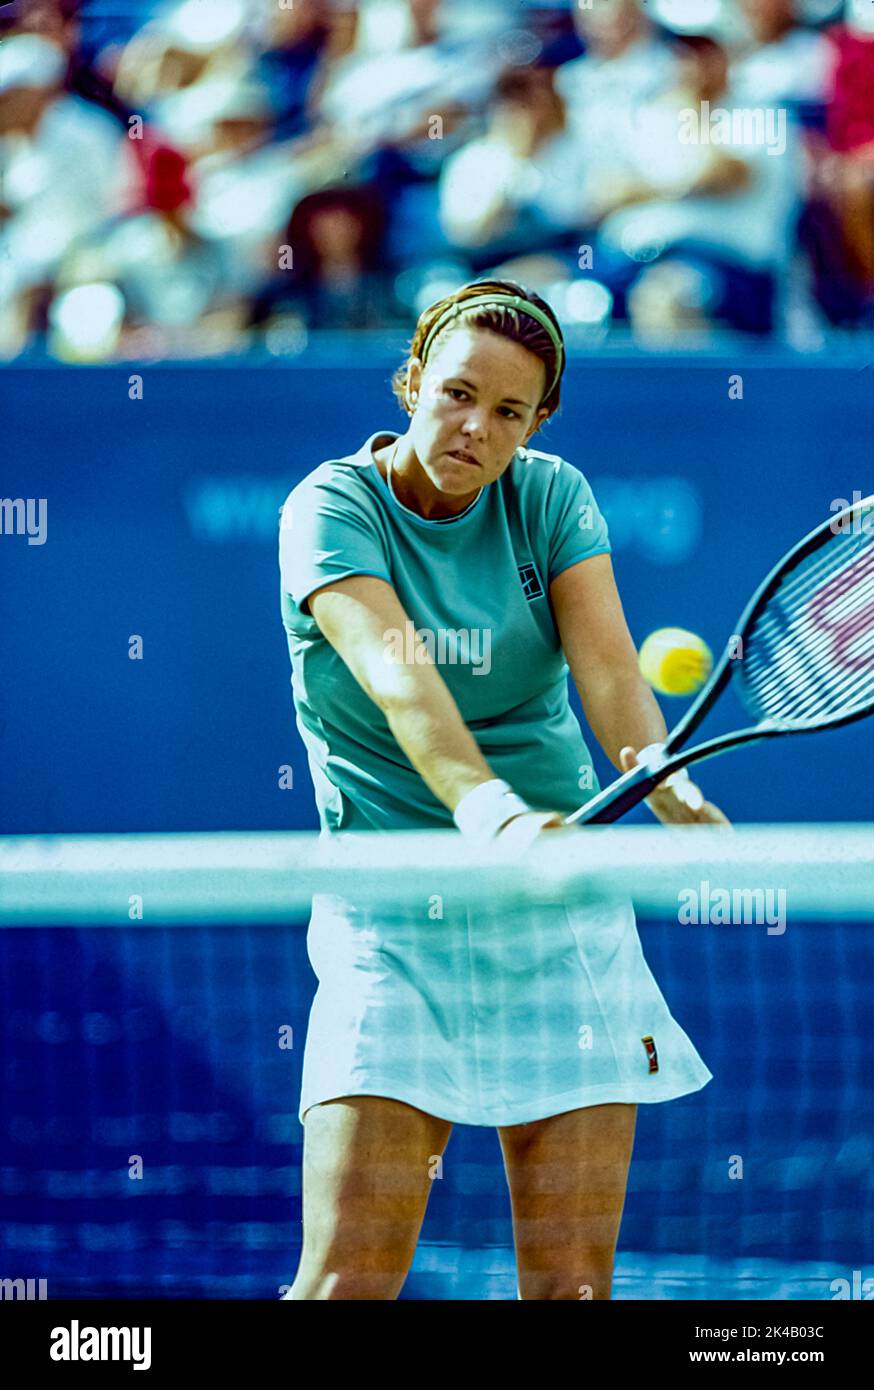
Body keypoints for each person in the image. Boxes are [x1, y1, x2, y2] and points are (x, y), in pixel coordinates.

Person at [277, 279, 729, 1301]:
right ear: (411, 382)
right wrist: (490, 811)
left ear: (538, 422)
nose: (474, 428)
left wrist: (655, 775)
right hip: (394, 920)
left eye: (508, 412)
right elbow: (399, 673)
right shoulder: (329, 508)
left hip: (556, 909)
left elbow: (608, 670)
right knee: (346, 1279)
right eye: (455, 394)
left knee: (570, 1287)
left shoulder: (552, 496)